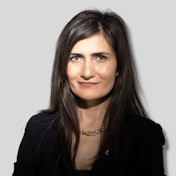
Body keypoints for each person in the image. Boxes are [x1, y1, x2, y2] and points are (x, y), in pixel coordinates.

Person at [12, 9, 166, 176]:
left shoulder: (145, 136)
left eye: (99, 57)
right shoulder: (38, 130)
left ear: (119, 67)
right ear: (64, 67)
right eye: (76, 57)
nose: (87, 72)